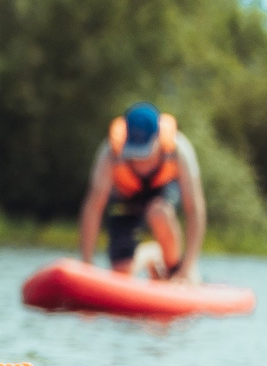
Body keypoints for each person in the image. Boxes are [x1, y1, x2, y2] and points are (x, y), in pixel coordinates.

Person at [77, 103, 208, 281]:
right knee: (122, 273)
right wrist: (87, 265)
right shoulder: (109, 153)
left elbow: (195, 210)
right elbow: (93, 207)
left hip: (163, 194)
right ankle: (153, 255)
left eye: (144, 150)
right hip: (128, 196)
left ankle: (173, 268)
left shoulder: (179, 149)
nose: (138, 158)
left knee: (159, 212)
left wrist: (188, 265)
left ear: (157, 138)